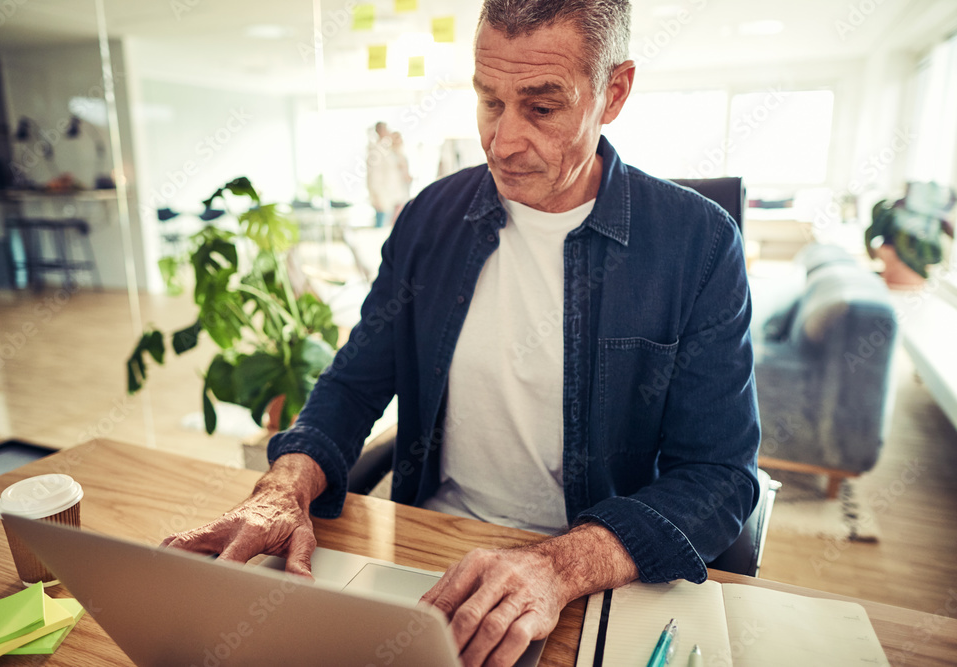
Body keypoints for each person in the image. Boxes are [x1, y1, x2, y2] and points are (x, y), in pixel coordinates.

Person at [163, 2, 760, 666]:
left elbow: (720, 476)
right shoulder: (429, 219)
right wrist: (284, 485)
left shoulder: (698, 244)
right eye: (489, 102)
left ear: (613, 92)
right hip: (427, 556)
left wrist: (558, 564)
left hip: (586, 577)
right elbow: (354, 383)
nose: (502, 142)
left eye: (541, 107)